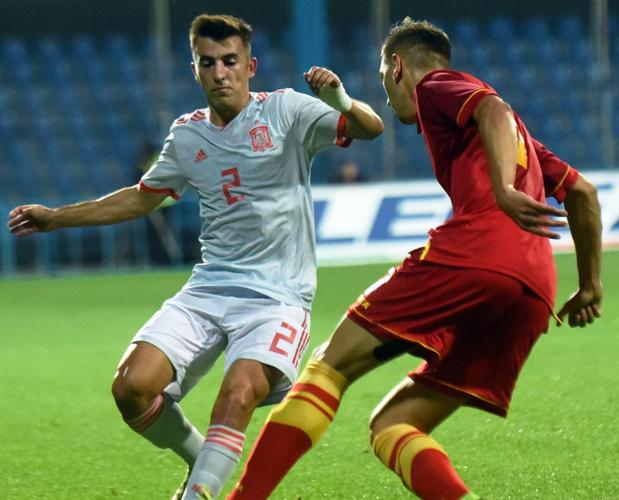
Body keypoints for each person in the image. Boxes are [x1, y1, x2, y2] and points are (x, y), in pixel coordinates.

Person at [7, 13, 383, 500]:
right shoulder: (187, 136)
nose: (220, 72)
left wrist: (338, 99)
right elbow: (141, 198)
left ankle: (198, 494)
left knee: (237, 391)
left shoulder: (287, 111)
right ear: (195, 70)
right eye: (209, 63)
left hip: (278, 298)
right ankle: (199, 454)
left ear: (251, 65)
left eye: (230, 61)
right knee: (131, 387)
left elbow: (370, 128)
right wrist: (55, 217)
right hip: (208, 289)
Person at [227, 17, 603, 500]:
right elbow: (582, 193)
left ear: (398, 66)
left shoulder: (436, 85)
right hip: (533, 291)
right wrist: (590, 283)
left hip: (474, 254)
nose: (386, 93)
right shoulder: (522, 138)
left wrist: (504, 190)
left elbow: (491, 105)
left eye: (384, 78)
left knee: (328, 368)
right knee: (393, 425)